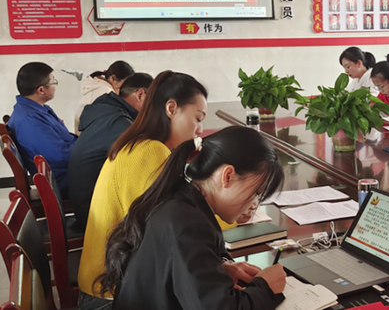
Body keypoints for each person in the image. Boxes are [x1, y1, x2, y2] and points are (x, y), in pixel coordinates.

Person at [97, 127, 286, 310]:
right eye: (256, 193)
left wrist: (217, 270)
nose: (254, 204)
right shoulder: (190, 225)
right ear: (227, 176)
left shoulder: (176, 198)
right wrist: (265, 287)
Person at [77, 71, 208, 309]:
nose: (200, 129)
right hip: (111, 294)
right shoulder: (149, 152)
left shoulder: (140, 143)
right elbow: (175, 229)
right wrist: (231, 213)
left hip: (109, 283)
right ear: (171, 108)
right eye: (198, 118)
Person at [68, 73, 153, 232]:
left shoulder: (107, 111)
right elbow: (144, 160)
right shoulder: (117, 122)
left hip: (87, 206)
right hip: (95, 218)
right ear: (140, 95)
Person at [6, 62, 77, 193]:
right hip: (64, 179)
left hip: (68, 170)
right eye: (53, 82)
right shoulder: (30, 120)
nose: (55, 85)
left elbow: (65, 139)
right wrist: (90, 150)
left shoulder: (39, 109)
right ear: (41, 90)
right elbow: (60, 156)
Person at [74, 61, 134, 134]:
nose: (123, 92)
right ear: (113, 78)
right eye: (123, 87)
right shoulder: (106, 94)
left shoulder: (96, 86)